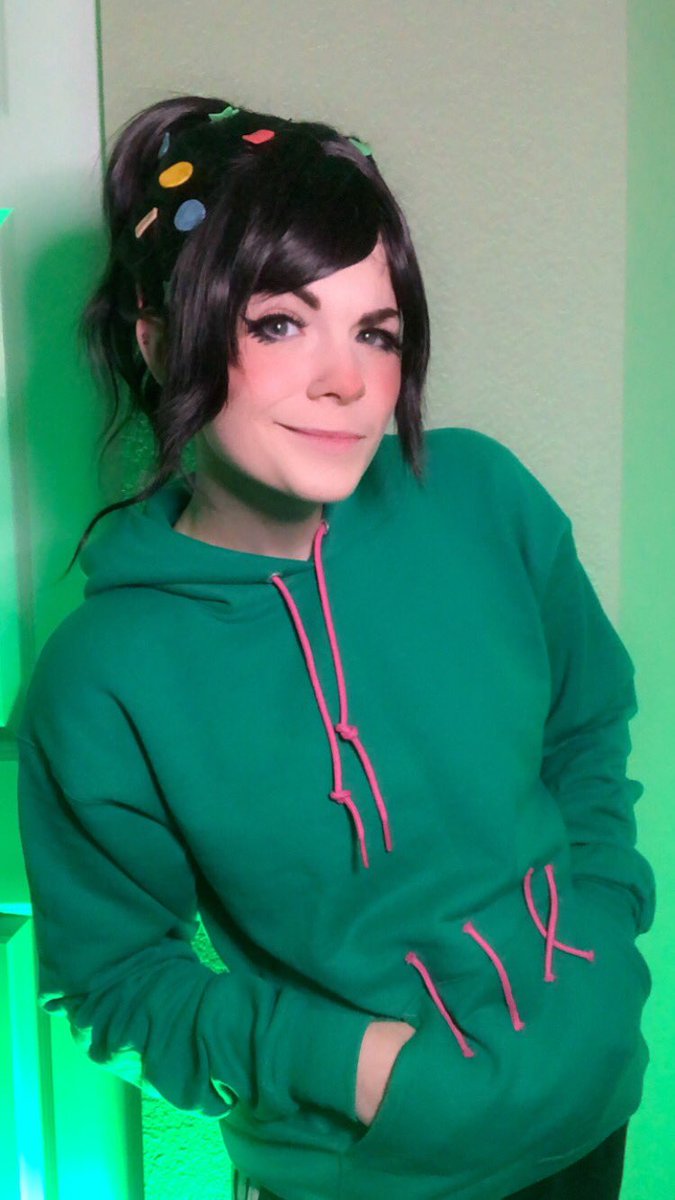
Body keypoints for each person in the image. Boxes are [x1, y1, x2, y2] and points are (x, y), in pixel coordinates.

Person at [13, 93, 655, 1200]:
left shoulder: (484, 500)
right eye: (279, 323)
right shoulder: (102, 677)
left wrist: (600, 931)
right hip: (353, 1174)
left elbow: (587, 729)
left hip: (590, 1117)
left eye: (376, 331)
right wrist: (342, 1067)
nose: (347, 380)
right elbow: (112, 981)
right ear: (158, 339)